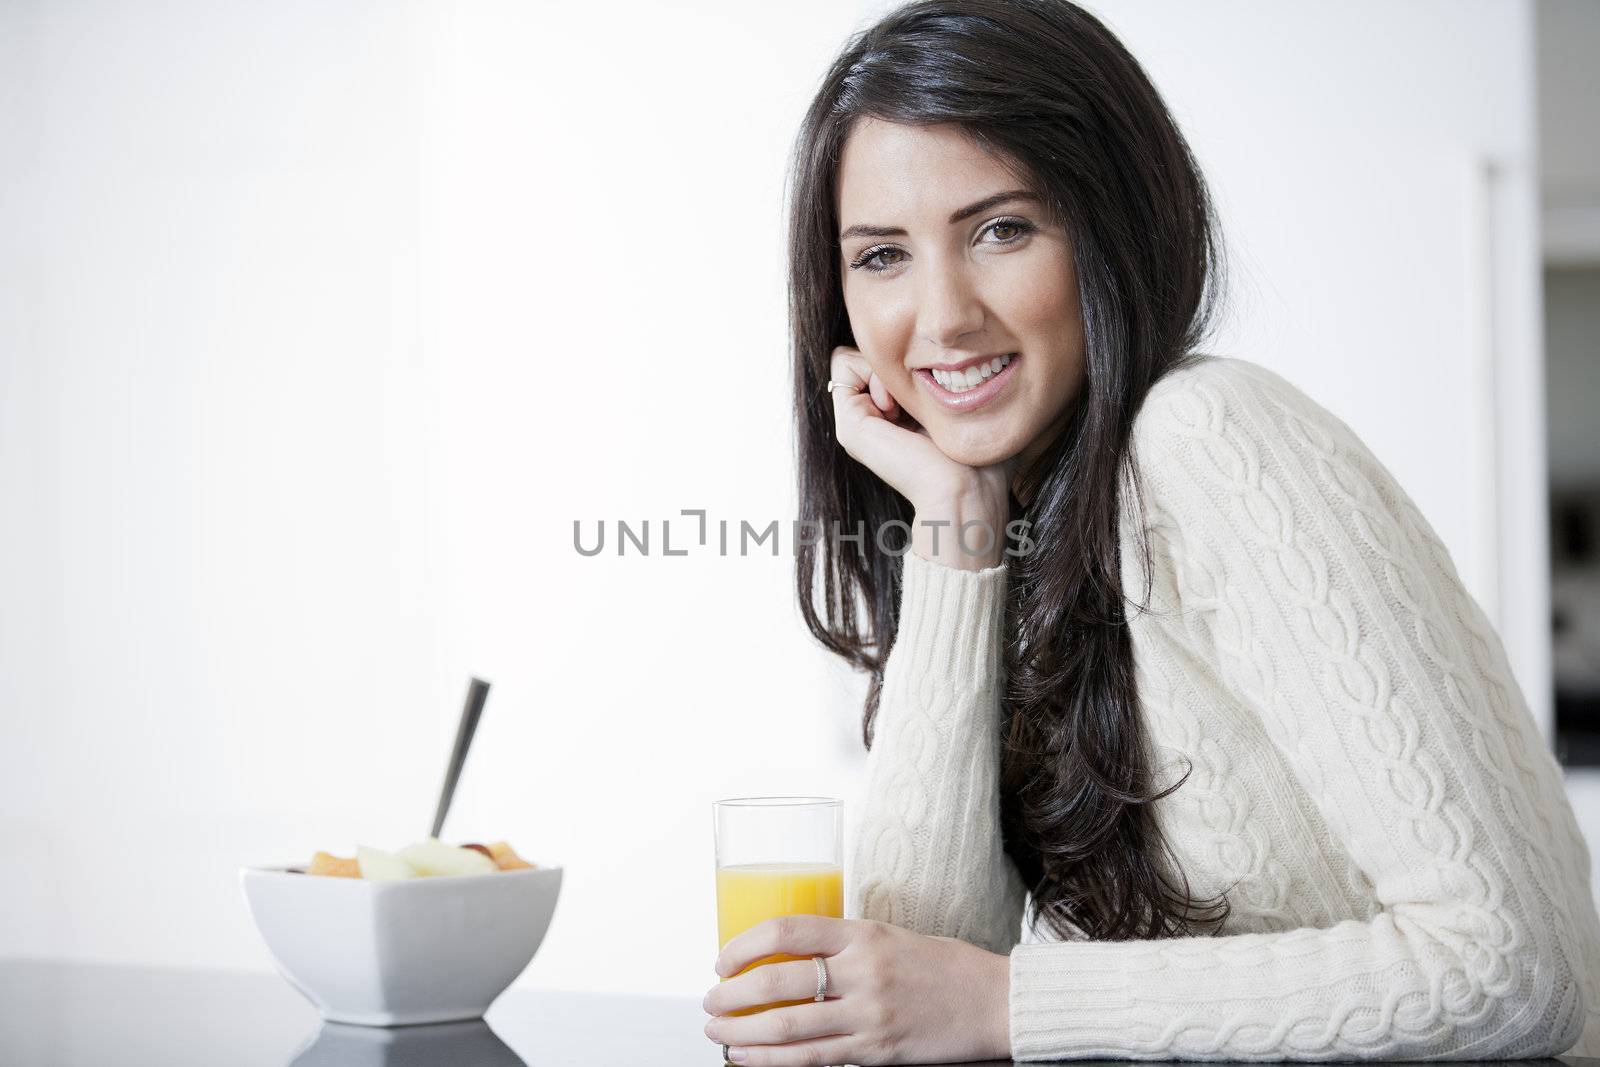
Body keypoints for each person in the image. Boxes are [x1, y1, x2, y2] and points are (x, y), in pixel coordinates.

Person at [700, 0, 1600, 1062]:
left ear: (1109, 226)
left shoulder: (1209, 435)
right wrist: (952, 524)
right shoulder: (1021, 518)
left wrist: (1009, 1004)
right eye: (882, 256)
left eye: (1001, 228)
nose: (940, 318)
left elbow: (1511, 968)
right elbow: (927, 970)